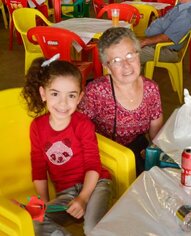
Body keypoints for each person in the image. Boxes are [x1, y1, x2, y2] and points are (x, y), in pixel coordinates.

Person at [21, 56, 112, 235]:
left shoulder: (83, 124)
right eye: (55, 94)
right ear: (43, 93)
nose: (63, 103)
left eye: (71, 95)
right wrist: (45, 203)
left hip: (96, 185)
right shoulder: (37, 127)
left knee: (92, 227)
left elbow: (93, 164)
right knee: (34, 218)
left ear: (79, 98)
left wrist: (84, 198)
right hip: (67, 194)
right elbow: (38, 168)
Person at [78, 27, 164, 177]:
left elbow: (156, 133)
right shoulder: (96, 91)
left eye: (130, 55)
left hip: (136, 152)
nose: (126, 65)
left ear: (138, 55)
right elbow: (78, 129)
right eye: (116, 60)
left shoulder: (151, 89)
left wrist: (152, 150)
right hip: (104, 157)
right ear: (107, 66)